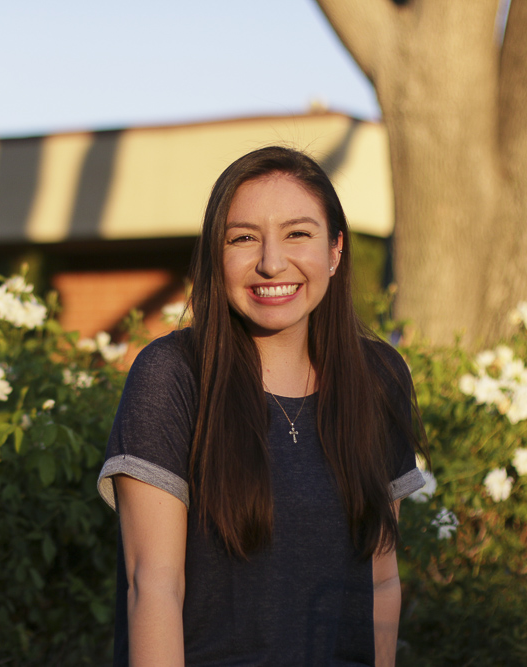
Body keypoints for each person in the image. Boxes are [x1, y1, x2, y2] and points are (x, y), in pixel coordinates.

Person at [97, 146, 428, 666]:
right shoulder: (172, 374)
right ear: (215, 255)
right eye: (244, 238)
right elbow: (154, 587)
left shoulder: (379, 377)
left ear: (336, 250)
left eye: (298, 233)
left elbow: (381, 581)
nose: (272, 261)